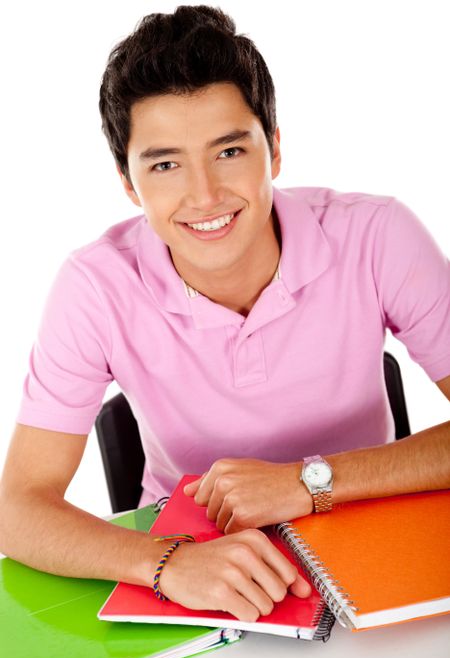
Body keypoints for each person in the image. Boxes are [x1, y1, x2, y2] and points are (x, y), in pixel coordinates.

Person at [0, 6, 449, 623]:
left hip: (370, 533)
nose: (205, 195)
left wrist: (307, 480)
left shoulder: (378, 234)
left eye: (230, 150)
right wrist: (167, 564)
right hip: (194, 557)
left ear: (276, 148)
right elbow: (18, 508)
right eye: (164, 164)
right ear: (129, 184)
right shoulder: (94, 286)